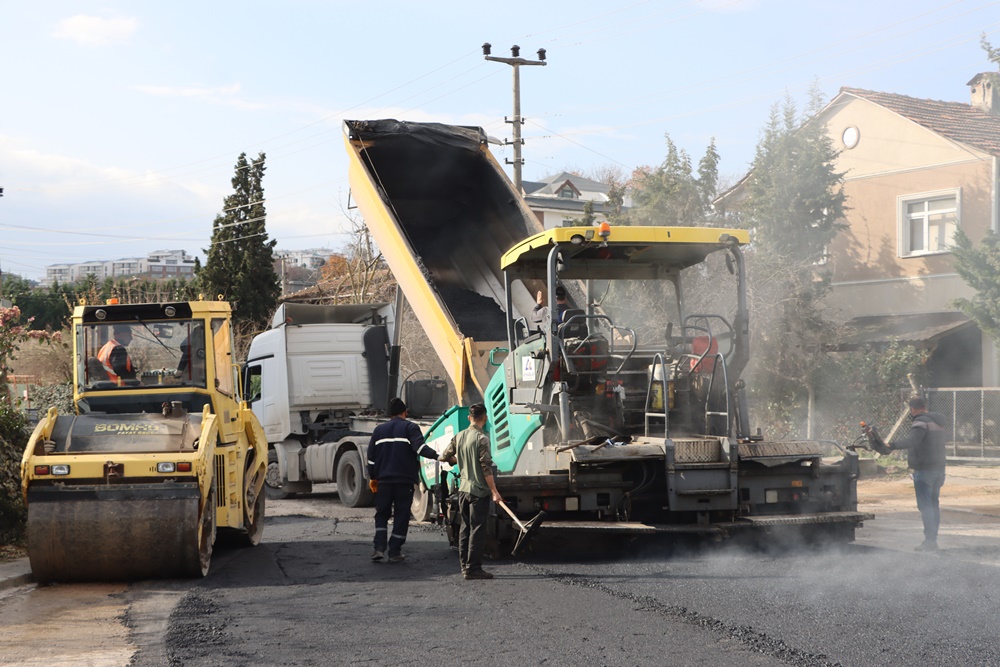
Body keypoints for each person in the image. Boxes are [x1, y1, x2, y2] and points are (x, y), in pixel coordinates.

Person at [367, 397, 439, 563]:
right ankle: (394, 551)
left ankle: (378, 548)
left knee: (382, 514)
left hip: (384, 481)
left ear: (389, 414)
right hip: (404, 482)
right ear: (405, 412)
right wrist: (439, 456)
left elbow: (371, 459)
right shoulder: (410, 427)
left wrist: (373, 477)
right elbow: (420, 448)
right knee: (401, 514)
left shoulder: (379, 431)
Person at [439, 403, 503, 580]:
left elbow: (443, 456)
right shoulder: (482, 439)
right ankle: (473, 568)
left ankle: (464, 567)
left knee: (465, 529)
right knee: (478, 530)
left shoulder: (459, 436)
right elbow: (486, 468)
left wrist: (457, 460)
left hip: (463, 490)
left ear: (469, 418)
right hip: (478, 492)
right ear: (485, 418)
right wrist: (494, 491)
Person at [880, 396, 947, 551]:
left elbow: (913, 441)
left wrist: (891, 445)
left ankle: (930, 542)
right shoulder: (937, 422)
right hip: (939, 470)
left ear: (912, 409)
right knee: (933, 504)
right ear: (925, 406)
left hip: (925, 471)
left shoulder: (920, 421)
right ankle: (933, 540)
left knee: (926, 507)